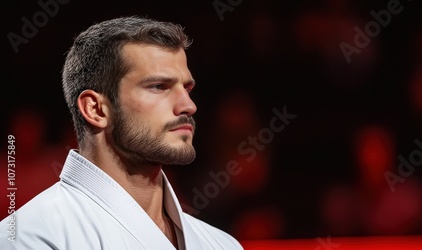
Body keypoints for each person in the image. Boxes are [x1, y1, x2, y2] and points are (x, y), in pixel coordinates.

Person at [0, 16, 243, 249]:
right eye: (159, 86)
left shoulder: (222, 244)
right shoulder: (30, 238)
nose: (189, 106)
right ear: (96, 109)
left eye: (187, 88)